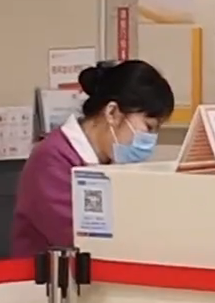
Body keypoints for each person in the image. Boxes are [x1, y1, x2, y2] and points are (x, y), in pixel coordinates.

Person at [11, 60, 173, 259]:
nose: (151, 139)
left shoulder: (111, 161)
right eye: (149, 127)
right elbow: (84, 240)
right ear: (112, 113)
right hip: (48, 276)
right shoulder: (51, 160)